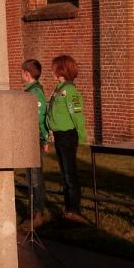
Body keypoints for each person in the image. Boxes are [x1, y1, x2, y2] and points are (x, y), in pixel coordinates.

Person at [46, 53, 87, 224]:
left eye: (54, 68)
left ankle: (74, 211)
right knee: (64, 174)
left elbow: (77, 115)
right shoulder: (58, 89)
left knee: (70, 174)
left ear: (61, 70)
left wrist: (82, 137)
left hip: (68, 136)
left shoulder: (69, 91)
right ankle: (68, 209)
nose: (52, 72)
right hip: (59, 136)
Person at [21, 58, 49, 227]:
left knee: (35, 176)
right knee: (30, 176)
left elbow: (40, 116)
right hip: (27, 137)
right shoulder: (28, 90)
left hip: (34, 137)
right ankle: (32, 210)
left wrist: (44, 138)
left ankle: (38, 212)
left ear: (27, 73)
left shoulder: (35, 92)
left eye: (22, 72)